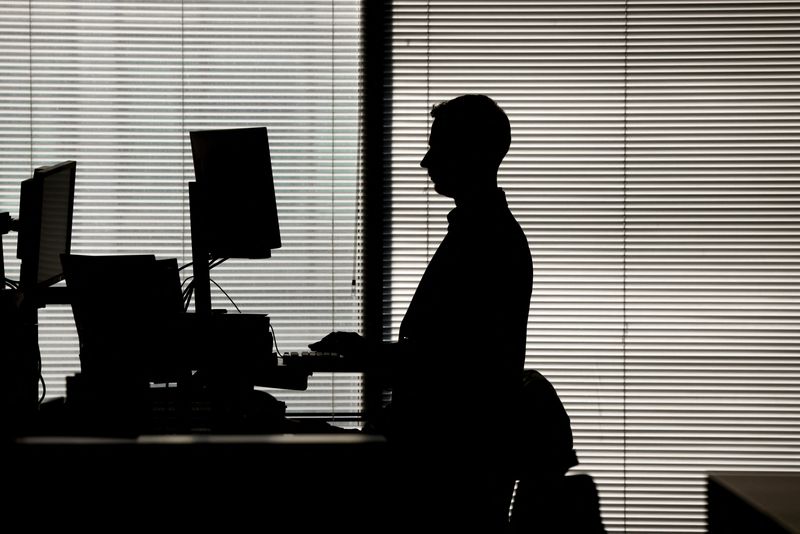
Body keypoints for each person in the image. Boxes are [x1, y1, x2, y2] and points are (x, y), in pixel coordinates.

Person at [310, 94, 532, 531]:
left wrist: (365, 353)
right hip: (441, 453)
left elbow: (453, 363)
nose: (425, 162)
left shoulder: (488, 243)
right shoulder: (480, 232)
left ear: (473, 154)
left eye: (438, 148)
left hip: (447, 464)